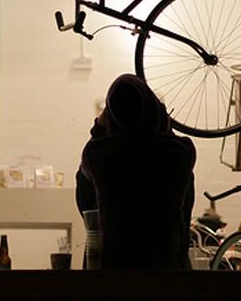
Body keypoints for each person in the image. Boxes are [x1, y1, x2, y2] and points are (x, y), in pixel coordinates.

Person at [76, 73, 196, 269]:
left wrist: (99, 127)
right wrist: (163, 120)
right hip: (166, 265)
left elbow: (84, 189)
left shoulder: (99, 155)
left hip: (116, 267)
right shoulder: (181, 152)